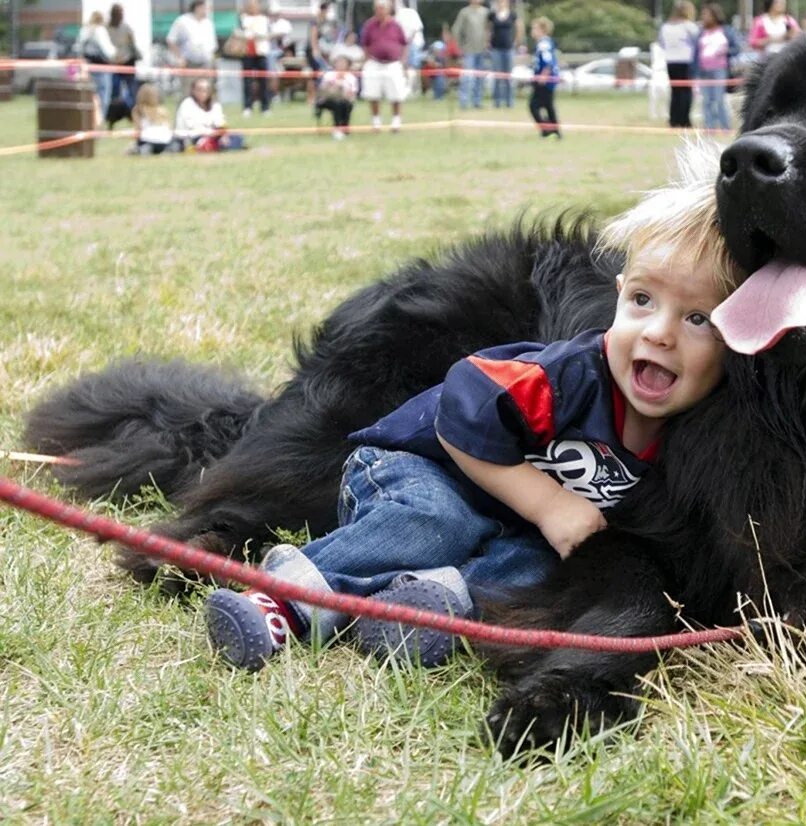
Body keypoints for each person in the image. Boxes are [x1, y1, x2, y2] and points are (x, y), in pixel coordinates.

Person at [202, 147, 740, 671]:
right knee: (437, 520)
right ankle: (286, 599)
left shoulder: (693, 426)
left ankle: (432, 603)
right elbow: (463, 409)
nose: (659, 333)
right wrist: (551, 507)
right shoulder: (571, 375)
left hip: (501, 509)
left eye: (697, 319)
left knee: (541, 562)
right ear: (620, 294)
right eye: (643, 302)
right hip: (418, 466)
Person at [360, 0, 409, 132]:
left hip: (393, 63)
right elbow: (364, 44)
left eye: (382, 8)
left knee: (396, 94)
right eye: (377, 8)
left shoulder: (396, 25)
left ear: (388, 9)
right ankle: (376, 123)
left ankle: (396, 122)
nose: (379, 11)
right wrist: (367, 59)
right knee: (372, 93)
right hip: (374, 63)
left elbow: (404, 44)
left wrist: (403, 62)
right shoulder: (369, 25)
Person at [693, 3, 738, 131]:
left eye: (706, 14)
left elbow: (736, 48)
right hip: (703, 70)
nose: (704, 17)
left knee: (719, 100)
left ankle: (725, 127)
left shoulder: (726, 31)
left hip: (719, 69)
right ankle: (709, 128)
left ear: (715, 15)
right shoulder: (701, 32)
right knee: (706, 101)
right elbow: (696, 53)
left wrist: (725, 51)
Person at [659, 1, 699, 128]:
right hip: (686, 61)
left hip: (671, 61)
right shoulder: (689, 26)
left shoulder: (666, 27)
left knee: (675, 91)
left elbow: (661, 43)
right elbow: (697, 42)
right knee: (686, 92)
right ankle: (684, 120)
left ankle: (674, 119)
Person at [175, 77, 244, 151]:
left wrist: (223, 134)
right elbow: (192, 128)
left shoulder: (215, 105)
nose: (202, 93)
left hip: (214, 135)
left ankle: (224, 146)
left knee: (237, 137)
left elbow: (220, 123)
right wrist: (211, 132)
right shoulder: (187, 104)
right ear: (193, 91)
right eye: (199, 90)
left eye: (205, 90)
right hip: (192, 138)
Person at [77, 11, 116, 121]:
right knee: (103, 95)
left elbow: (79, 48)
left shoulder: (84, 30)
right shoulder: (100, 30)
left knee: (88, 94)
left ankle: (86, 118)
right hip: (102, 67)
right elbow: (108, 50)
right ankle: (99, 119)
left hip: (88, 66)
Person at [451, 0, 490, 109]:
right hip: (468, 50)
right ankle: (463, 102)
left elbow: (489, 28)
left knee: (479, 77)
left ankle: (477, 101)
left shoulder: (486, 12)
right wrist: (460, 46)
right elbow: (456, 30)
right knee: (467, 77)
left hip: (482, 50)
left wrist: (488, 42)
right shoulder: (464, 12)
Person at [529, 16, 561, 139]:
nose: (532, 31)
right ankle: (555, 130)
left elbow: (548, 61)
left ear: (542, 30)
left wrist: (544, 75)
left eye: (534, 28)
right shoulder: (544, 43)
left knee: (534, 105)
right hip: (547, 79)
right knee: (548, 106)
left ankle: (546, 128)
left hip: (545, 80)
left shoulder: (544, 44)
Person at [239, 0, 271, 117]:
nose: (252, 7)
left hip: (261, 52)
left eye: (254, 5)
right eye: (250, 5)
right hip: (247, 52)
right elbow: (238, 33)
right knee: (247, 81)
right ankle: (247, 107)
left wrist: (259, 35)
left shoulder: (264, 19)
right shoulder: (243, 18)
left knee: (263, 81)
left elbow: (269, 34)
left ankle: (265, 107)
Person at [166, 0, 218, 73]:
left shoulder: (208, 23)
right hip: (188, 64)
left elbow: (213, 45)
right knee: (188, 84)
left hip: (206, 65)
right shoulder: (182, 21)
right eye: (206, 8)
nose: (208, 10)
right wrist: (179, 57)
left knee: (206, 84)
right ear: (198, 7)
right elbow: (171, 40)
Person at [107, 4, 140, 115]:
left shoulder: (126, 28)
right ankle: (113, 113)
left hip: (128, 63)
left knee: (131, 91)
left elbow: (132, 45)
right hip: (113, 64)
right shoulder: (106, 29)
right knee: (114, 91)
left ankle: (132, 112)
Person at [129, 83, 180, 154]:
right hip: (166, 140)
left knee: (134, 146)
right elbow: (169, 127)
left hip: (147, 139)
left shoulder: (137, 110)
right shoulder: (163, 110)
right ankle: (167, 148)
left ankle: (145, 148)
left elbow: (138, 129)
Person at [316, 54, 358, 140]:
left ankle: (344, 128)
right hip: (328, 100)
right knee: (337, 103)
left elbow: (352, 94)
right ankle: (337, 128)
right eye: (339, 62)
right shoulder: (329, 75)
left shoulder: (351, 77)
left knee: (346, 104)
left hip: (345, 100)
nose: (340, 65)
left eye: (343, 63)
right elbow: (322, 90)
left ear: (348, 65)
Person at [488, 0, 521, 108]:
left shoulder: (512, 14)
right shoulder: (492, 15)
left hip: (508, 48)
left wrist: (516, 41)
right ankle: (496, 101)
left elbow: (519, 27)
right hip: (496, 49)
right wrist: (487, 41)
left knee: (508, 76)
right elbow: (488, 28)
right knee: (497, 76)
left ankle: (509, 101)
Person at [265, 2, 294, 105]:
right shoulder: (266, 23)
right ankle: (270, 94)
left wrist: (271, 36)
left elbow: (284, 37)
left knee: (274, 71)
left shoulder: (284, 23)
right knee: (268, 72)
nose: (273, 15)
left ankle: (275, 94)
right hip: (268, 53)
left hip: (281, 52)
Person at [395, 0, 426, 93]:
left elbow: (415, 29)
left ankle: (412, 89)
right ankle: (408, 88)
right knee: (405, 66)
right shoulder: (397, 15)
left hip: (413, 44)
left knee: (412, 66)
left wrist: (408, 43)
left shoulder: (409, 12)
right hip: (404, 44)